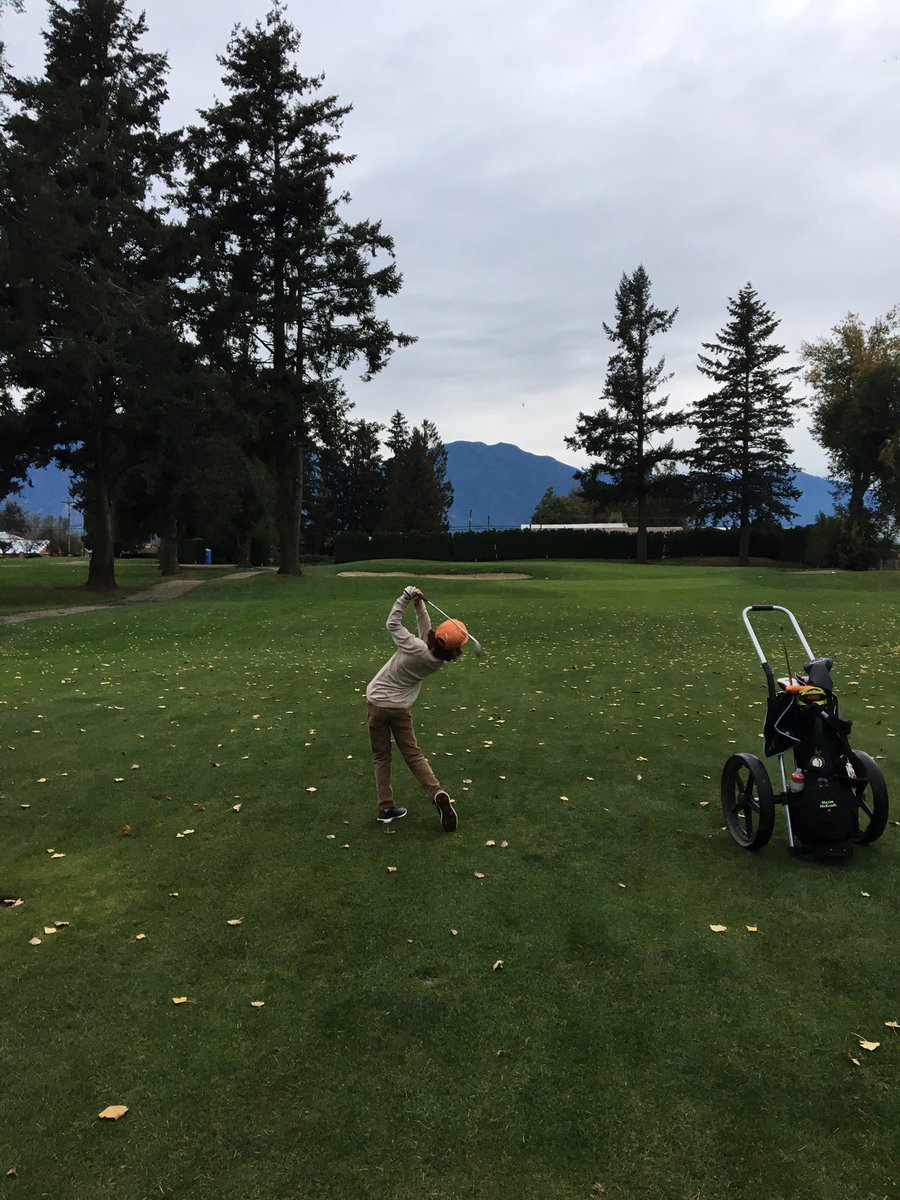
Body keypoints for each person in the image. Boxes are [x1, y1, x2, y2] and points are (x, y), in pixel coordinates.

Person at [366, 585, 468, 830]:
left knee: (382, 756)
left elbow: (392, 624)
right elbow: (427, 634)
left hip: (377, 703)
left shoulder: (414, 646)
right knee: (413, 755)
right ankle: (436, 792)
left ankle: (385, 806)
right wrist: (419, 605)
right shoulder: (437, 660)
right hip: (400, 709)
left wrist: (404, 597)